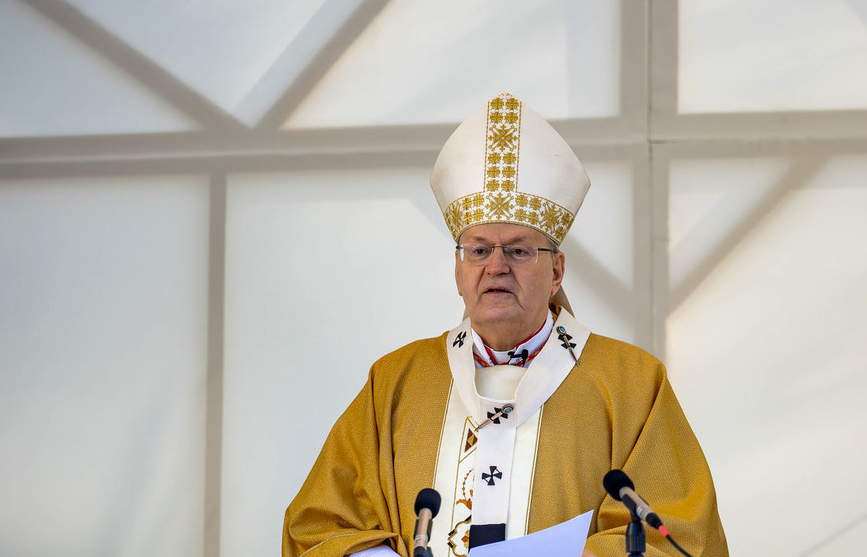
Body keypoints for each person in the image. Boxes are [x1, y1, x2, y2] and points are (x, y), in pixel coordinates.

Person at [283, 93, 728, 557]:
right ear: (458, 273)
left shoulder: (632, 384)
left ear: (555, 272)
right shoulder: (395, 381)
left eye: (518, 249)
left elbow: (678, 532)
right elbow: (319, 526)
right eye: (478, 250)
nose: (496, 267)